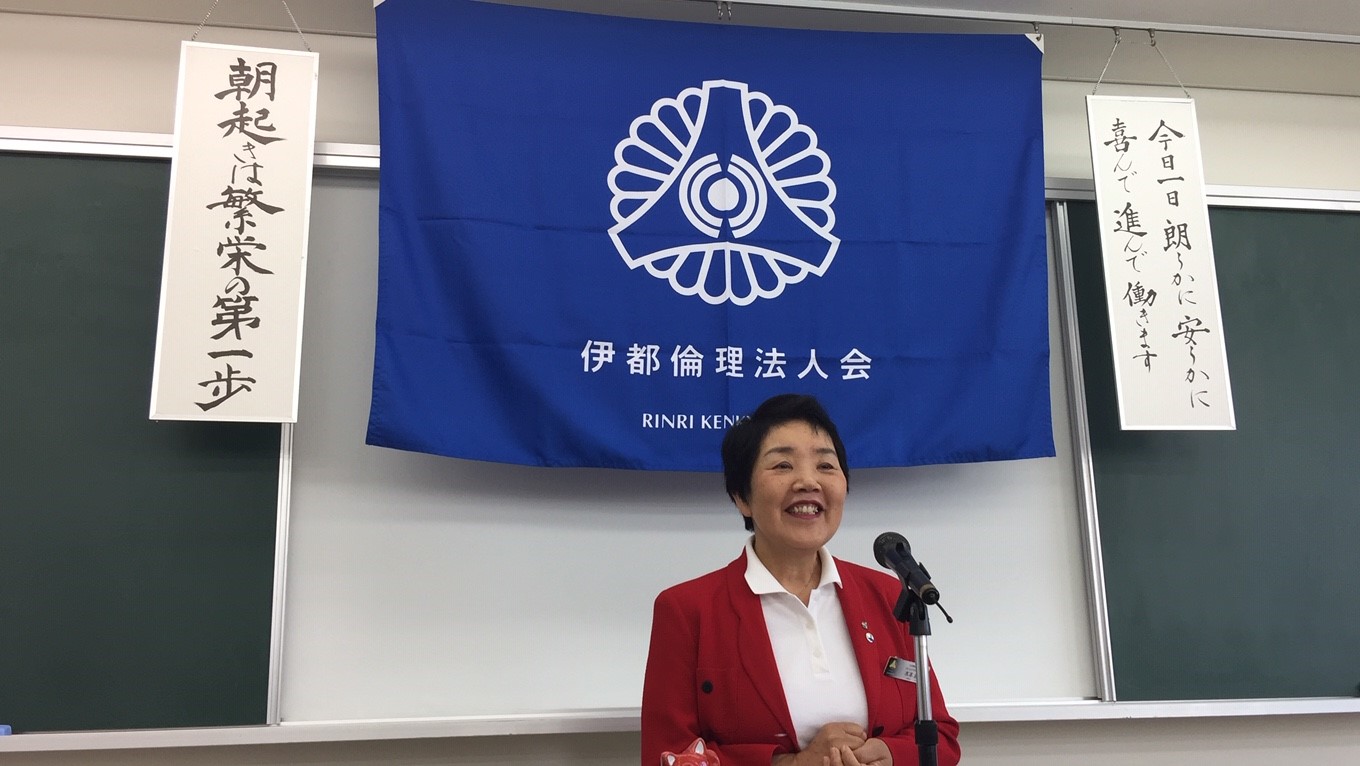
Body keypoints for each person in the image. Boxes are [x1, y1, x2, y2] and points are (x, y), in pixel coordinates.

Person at [641, 394, 961, 766]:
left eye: (825, 465)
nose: (808, 481)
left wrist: (890, 754)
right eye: (783, 465)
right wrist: (789, 764)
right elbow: (666, 755)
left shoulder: (890, 596)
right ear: (742, 497)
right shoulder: (687, 610)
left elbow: (941, 736)